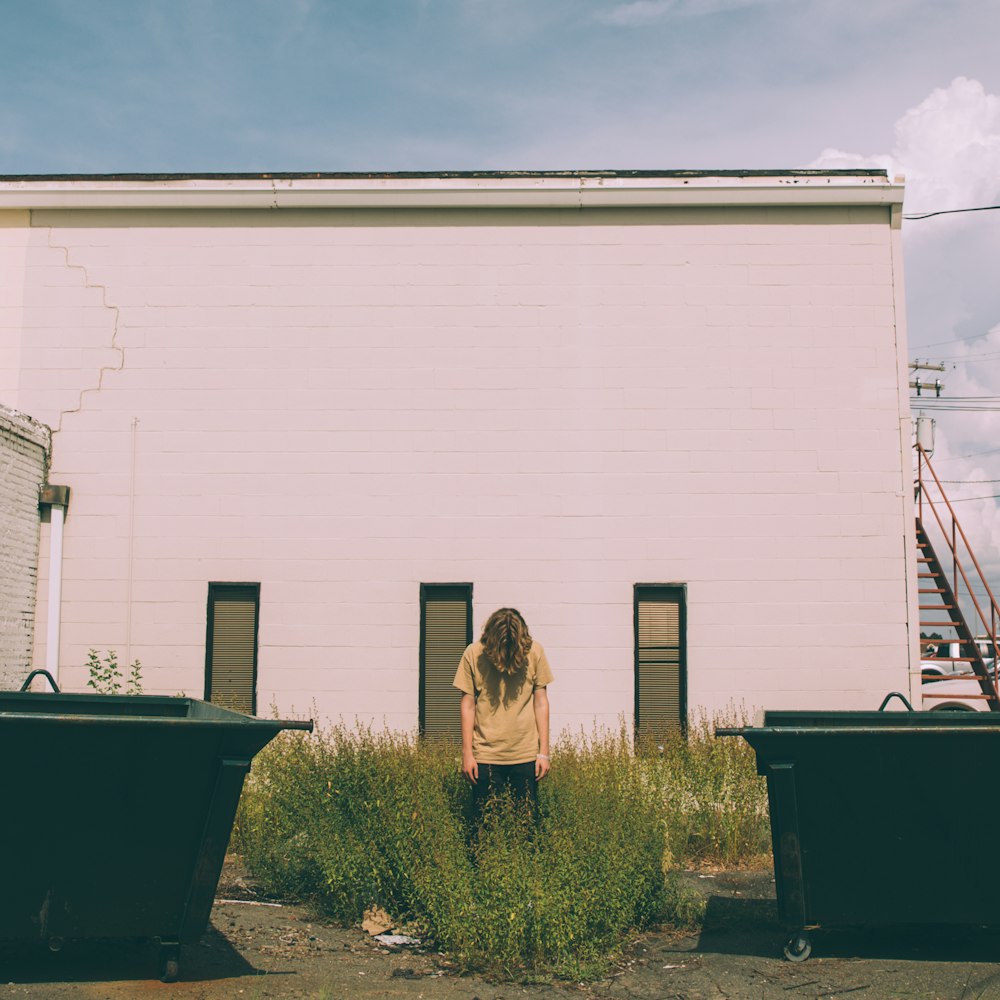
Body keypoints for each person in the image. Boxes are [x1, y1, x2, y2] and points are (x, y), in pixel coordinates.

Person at [453, 607, 553, 819]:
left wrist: (543, 752)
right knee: (482, 827)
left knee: (525, 826)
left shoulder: (535, 652)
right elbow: (467, 705)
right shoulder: (473, 654)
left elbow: (541, 702)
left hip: (525, 755)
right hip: (485, 755)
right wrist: (467, 754)